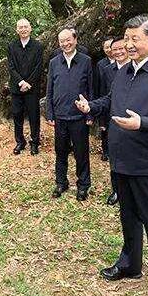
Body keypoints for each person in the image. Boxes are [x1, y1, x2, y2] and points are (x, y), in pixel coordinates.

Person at [75, 16, 148, 296]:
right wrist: (91, 106)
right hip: (122, 160)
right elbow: (112, 100)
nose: (129, 44)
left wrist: (143, 123)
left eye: (135, 38)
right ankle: (130, 264)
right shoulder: (125, 71)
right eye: (127, 38)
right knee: (129, 217)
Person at [46, 28, 93, 201]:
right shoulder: (54, 63)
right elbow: (50, 90)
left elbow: (91, 89)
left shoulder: (86, 61)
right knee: (60, 152)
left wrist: (90, 114)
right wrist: (50, 113)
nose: (65, 44)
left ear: (75, 40)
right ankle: (61, 182)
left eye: (68, 40)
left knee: (81, 153)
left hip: (79, 116)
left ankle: (83, 185)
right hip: (60, 116)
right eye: (62, 41)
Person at [98, 36, 130, 206]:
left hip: (134, 121)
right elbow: (104, 96)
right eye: (114, 49)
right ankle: (116, 190)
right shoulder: (107, 70)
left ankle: (131, 191)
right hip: (113, 120)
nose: (117, 52)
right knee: (115, 158)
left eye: (120, 49)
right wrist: (102, 121)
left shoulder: (136, 68)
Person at [7, 19, 44, 156]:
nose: (23, 29)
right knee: (17, 115)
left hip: (32, 88)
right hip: (16, 88)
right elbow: (11, 67)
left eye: (25, 27)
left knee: (34, 116)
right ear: (17, 30)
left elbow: (39, 66)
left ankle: (34, 142)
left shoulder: (38, 46)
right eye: (20, 27)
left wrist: (28, 83)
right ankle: (20, 142)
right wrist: (21, 82)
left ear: (30, 28)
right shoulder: (11, 46)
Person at [95, 37, 115, 161]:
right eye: (106, 47)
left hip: (118, 99)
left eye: (110, 47)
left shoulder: (124, 61)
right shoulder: (100, 64)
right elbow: (97, 84)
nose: (108, 49)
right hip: (104, 97)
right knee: (104, 127)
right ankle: (105, 151)